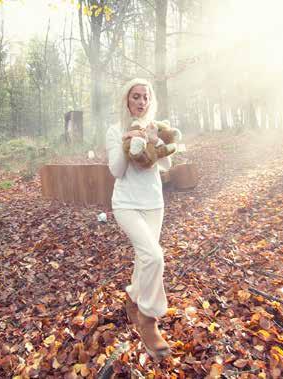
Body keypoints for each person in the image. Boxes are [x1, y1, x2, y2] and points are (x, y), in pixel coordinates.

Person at [105, 78, 173, 359]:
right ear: (127, 100)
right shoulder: (114, 130)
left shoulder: (156, 126)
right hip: (126, 205)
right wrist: (128, 141)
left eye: (145, 97)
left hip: (154, 204)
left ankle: (133, 298)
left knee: (145, 258)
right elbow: (117, 171)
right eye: (136, 96)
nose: (141, 102)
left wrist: (155, 140)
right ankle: (149, 319)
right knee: (155, 257)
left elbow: (167, 164)